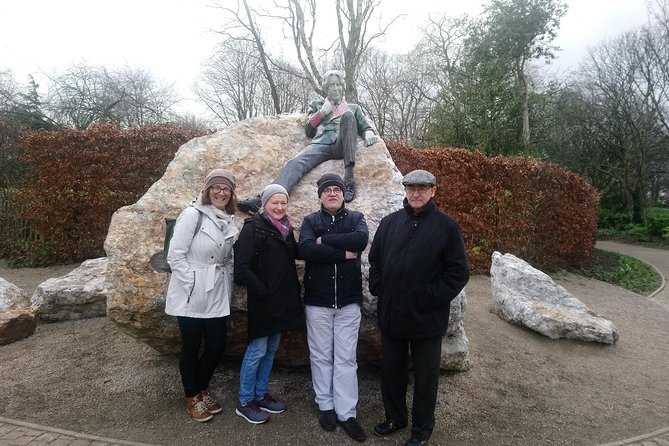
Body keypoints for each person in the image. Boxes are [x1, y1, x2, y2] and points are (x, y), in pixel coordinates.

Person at [368, 169, 470, 446]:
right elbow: (375, 259)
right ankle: (395, 417)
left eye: (422, 188)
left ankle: (422, 431)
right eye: (411, 187)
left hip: (426, 317)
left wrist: (427, 297)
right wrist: (379, 286)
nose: (416, 193)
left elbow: (457, 273)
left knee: (426, 378)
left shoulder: (446, 227)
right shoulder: (390, 223)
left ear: (433, 191)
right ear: (405, 190)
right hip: (392, 314)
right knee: (392, 370)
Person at [238, 70, 379, 214]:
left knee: (348, 116)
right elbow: (309, 131)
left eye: (338, 85)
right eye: (331, 86)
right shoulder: (317, 105)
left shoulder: (353, 108)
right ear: (326, 88)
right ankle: (266, 198)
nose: (335, 88)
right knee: (294, 163)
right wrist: (322, 113)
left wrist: (368, 131)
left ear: (342, 87)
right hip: (321, 144)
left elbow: (364, 125)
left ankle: (349, 180)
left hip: (343, 145)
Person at [298, 173, 369, 442]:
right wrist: (342, 253)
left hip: (349, 302)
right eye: (326, 190)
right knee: (320, 357)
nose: (331, 193)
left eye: (336, 189)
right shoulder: (309, 221)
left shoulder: (356, 219)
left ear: (343, 194)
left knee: (346, 358)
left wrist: (323, 241)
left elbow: (360, 242)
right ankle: (326, 406)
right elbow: (305, 249)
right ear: (319, 195)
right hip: (318, 302)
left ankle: (346, 413)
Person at [164, 169, 239, 422]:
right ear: (207, 190)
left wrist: (227, 289)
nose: (221, 192)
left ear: (231, 194)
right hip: (191, 291)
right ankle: (192, 396)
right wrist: (193, 283)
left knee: (217, 345)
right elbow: (175, 255)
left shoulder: (228, 220)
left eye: (226, 189)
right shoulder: (191, 215)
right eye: (216, 187)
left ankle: (202, 388)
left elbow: (228, 259)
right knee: (191, 346)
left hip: (217, 288)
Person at [233, 184, 305, 424]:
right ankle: (245, 401)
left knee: (271, 349)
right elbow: (242, 268)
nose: (280, 207)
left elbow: (295, 254)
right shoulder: (253, 228)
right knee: (257, 351)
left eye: (283, 203)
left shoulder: (285, 228)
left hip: (282, 300)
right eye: (275, 202)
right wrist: (263, 292)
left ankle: (261, 394)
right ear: (264, 204)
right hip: (263, 301)